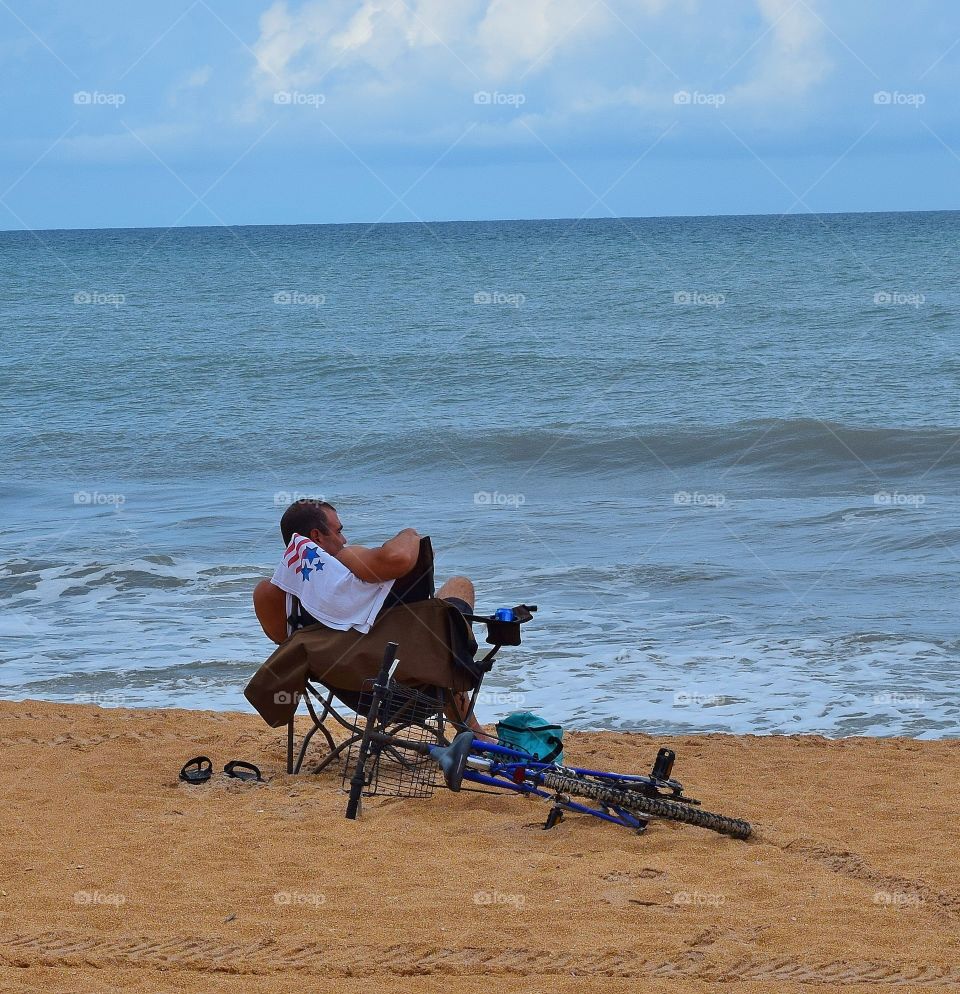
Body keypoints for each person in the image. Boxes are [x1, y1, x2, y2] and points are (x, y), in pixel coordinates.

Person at [252, 498, 481, 730]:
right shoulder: (345, 562)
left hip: (352, 692)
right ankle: (474, 733)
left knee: (437, 634)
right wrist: (409, 534)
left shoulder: (268, 595)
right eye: (338, 531)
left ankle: (475, 733)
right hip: (417, 683)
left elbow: (286, 644)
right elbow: (398, 559)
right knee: (458, 588)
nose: (344, 540)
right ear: (316, 537)